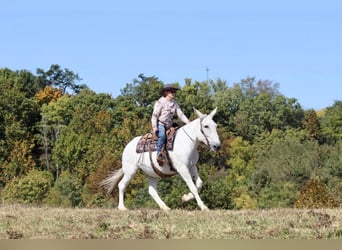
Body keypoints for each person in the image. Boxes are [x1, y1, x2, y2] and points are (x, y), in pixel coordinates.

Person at [151, 83, 190, 166]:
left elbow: (181, 115)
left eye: (174, 91)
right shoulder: (160, 102)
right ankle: (159, 154)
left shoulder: (174, 103)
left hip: (170, 125)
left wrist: (189, 123)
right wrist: (154, 127)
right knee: (162, 136)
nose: (173, 93)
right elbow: (154, 116)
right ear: (166, 92)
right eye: (172, 91)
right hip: (161, 124)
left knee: (180, 135)